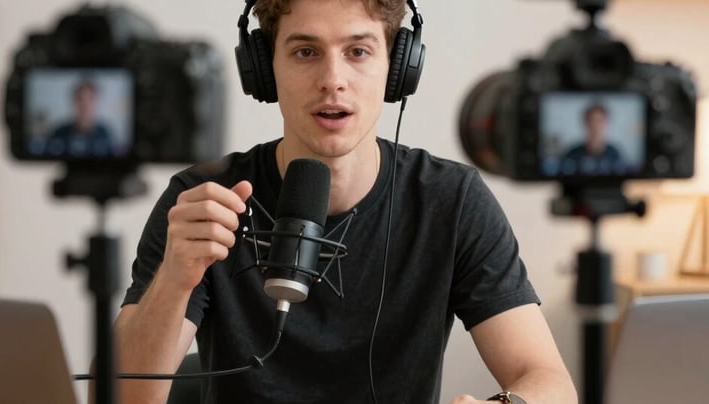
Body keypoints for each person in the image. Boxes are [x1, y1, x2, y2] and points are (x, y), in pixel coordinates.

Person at [113, 1, 578, 403]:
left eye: (358, 51)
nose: (332, 80)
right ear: (264, 69)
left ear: (398, 68)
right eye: (305, 52)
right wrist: (175, 279)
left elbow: (549, 381)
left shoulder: (451, 199)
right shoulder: (203, 201)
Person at [48, 79, 114, 157]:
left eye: (90, 99)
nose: (85, 104)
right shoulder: (59, 133)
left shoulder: (105, 133)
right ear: (74, 101)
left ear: (96, 102)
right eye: (80, 99)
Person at [559, 103, 626, 175]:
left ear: (606, 123)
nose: (595, 125)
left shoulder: (615, 154)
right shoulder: (572, 154)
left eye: (600, 121)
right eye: (592, 120)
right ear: (585, 123)